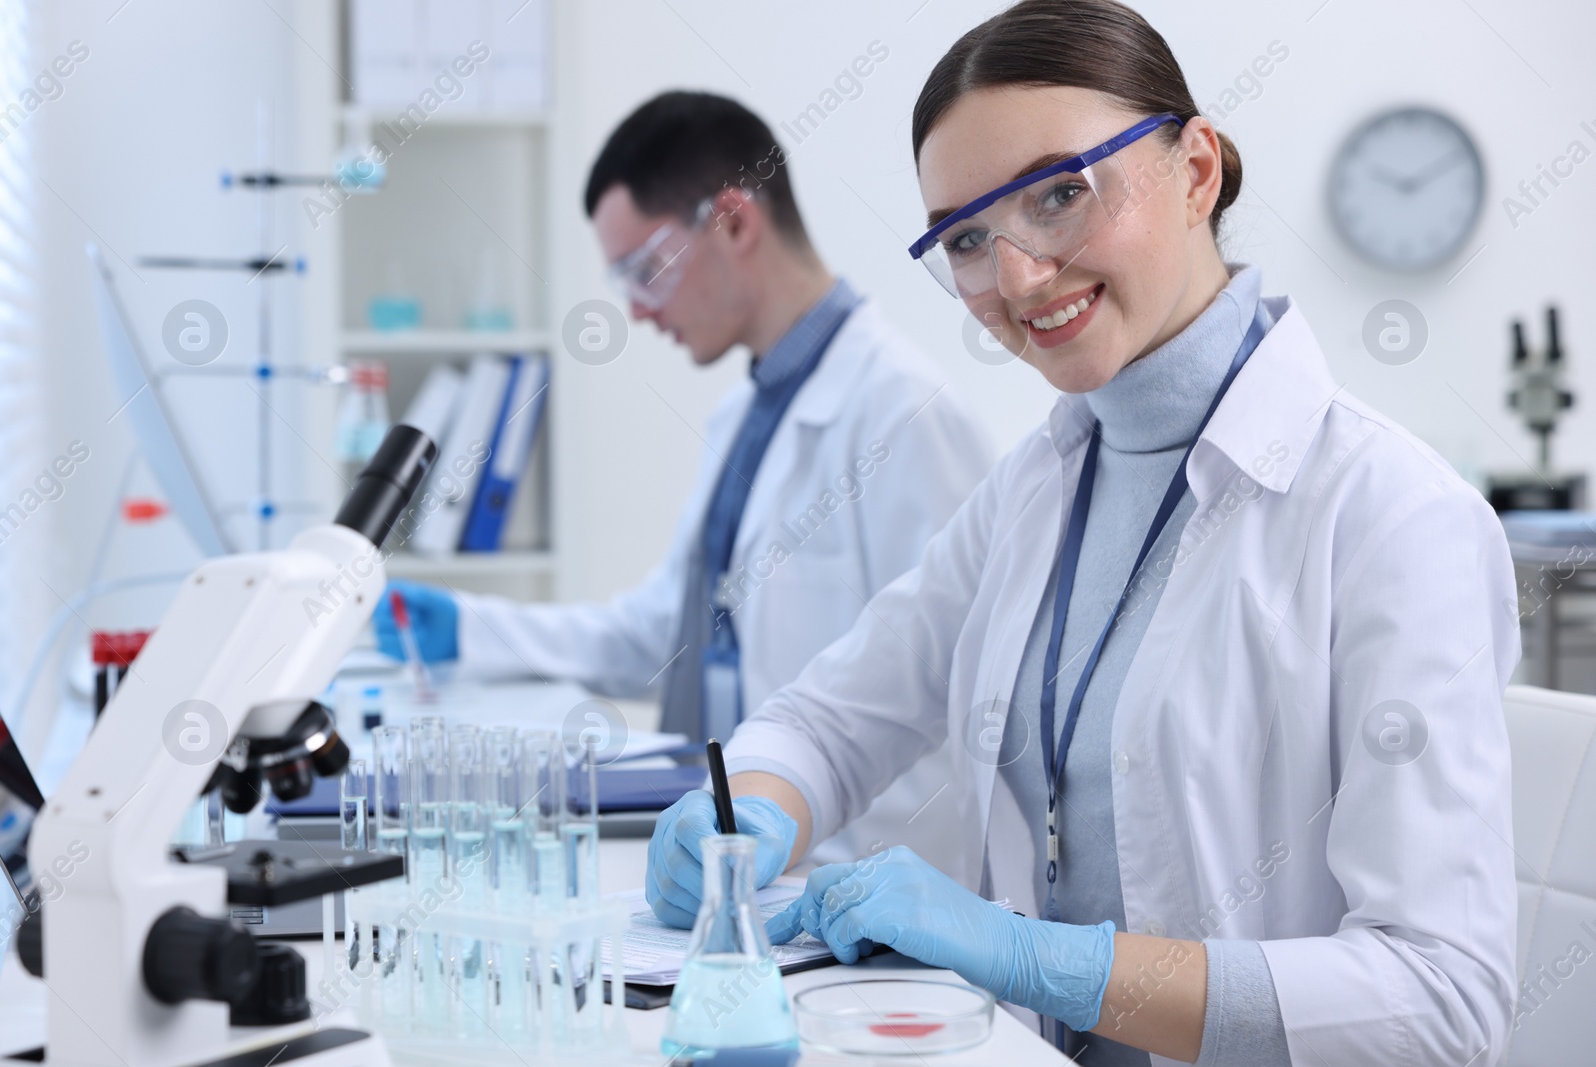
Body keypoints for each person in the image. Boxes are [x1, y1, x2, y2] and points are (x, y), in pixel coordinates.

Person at [643, 3, 1519, 1065]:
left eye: (1061, 194)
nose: (1015, 278)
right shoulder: (1040, 485)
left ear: (1196, 170)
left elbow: (1440, 996)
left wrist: (1042, 958)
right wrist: (749, 812)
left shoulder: (1389, 516)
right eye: (967, 238)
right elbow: (834, 717)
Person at [376, 91, 994, 869]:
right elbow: (667, 638)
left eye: (644, 268)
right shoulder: (746, 413)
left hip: (846, 891)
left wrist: (829, 877)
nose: (636, 309)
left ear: (733, 220)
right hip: (748, 867)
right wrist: (466, 626)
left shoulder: (906, 412)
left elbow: (948, 704)